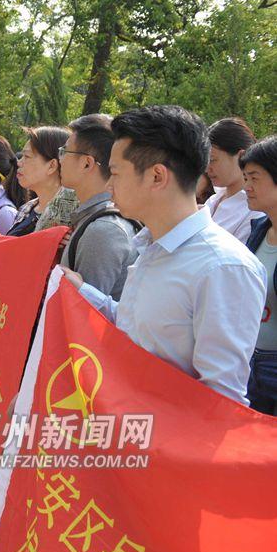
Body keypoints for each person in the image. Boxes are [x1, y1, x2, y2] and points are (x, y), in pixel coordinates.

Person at [63, 105, 266, 405]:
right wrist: (81, 290)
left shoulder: (223, 268)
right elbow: (135, 326)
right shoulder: (152, 247)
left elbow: (221, 401)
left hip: (161, 443)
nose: (108, 185)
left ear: (157, 176)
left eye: (116, 173)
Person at [59, 114, 139, 300]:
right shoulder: (95, 219)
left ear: (87, 163)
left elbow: (85, 315)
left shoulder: (104, 230)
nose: (60, 159)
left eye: (65, 151)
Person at [242, 136, 277, 414]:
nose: (246, 187)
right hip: (250, 362)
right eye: (245, 177)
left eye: (254, 177)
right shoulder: (258, 231)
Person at [7, 126, 78, 237]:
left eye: (27, 156)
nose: (19, 163)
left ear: (52, 166)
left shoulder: (74, 217)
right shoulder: (27, 208)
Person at [206, 117, 263, 242]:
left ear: (241, 156)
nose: (207, 169)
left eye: (212, 160)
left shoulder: (254, 209)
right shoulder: (213, 200)